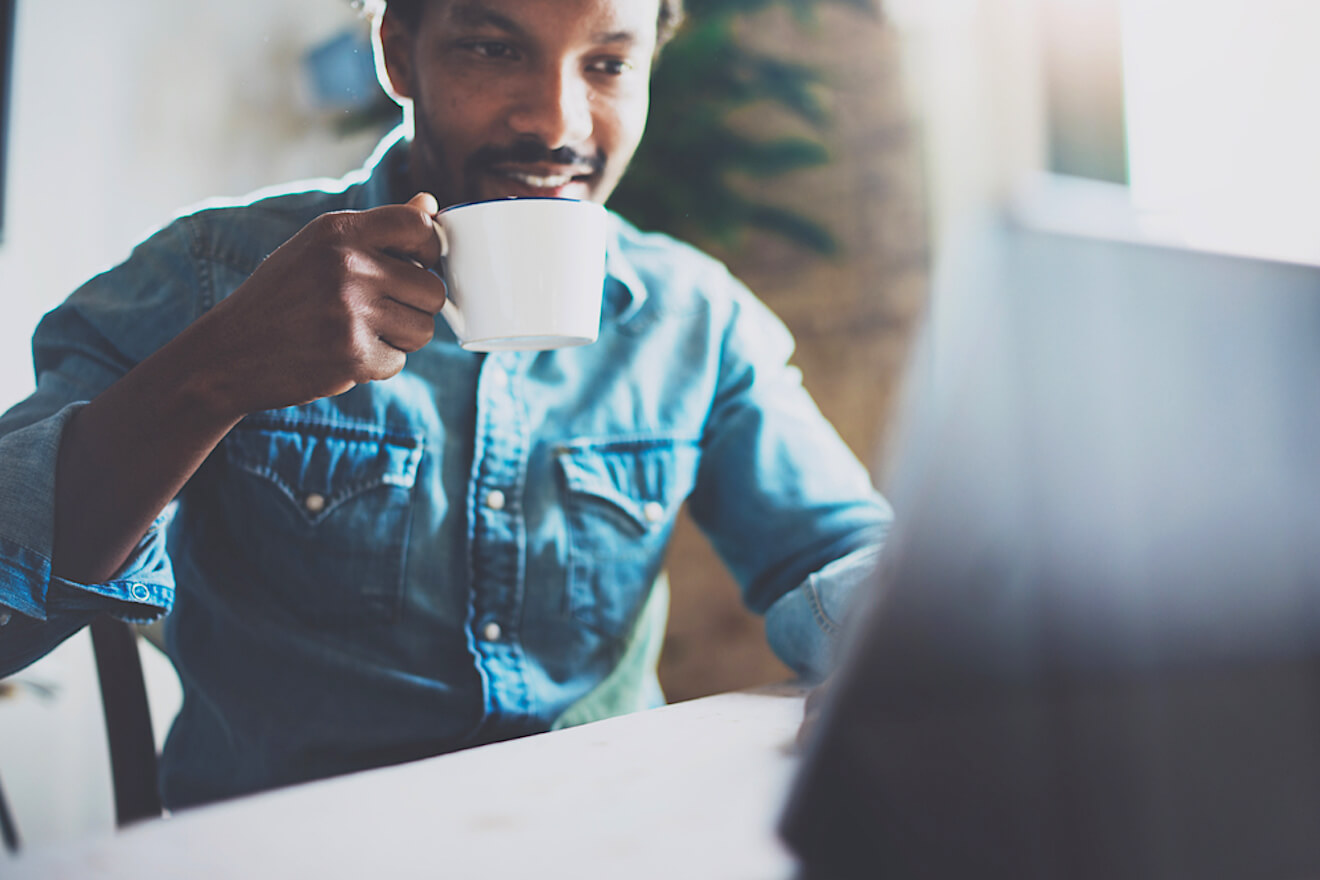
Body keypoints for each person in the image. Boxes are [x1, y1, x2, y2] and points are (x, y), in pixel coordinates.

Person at [0, 0, 891, 810]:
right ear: (397, 52)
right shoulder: (210, 278)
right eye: (492, 48)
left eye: (608, 64)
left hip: (605, 839)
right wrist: (217, 371)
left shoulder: (696, 319)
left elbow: (844, 550)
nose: (556, 121)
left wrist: (912, 669)